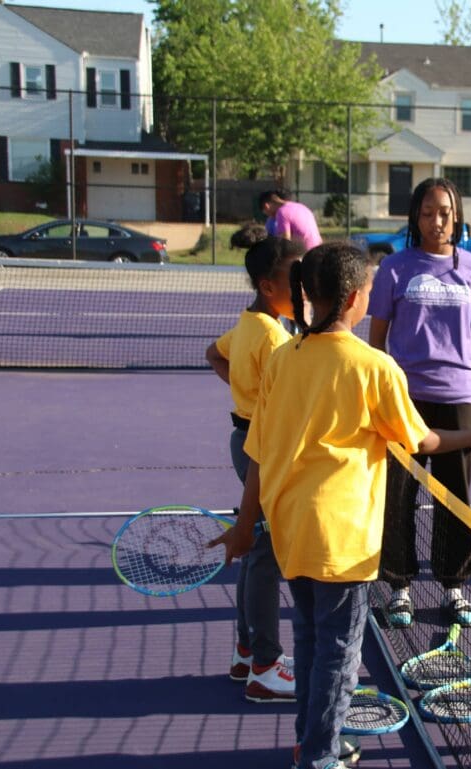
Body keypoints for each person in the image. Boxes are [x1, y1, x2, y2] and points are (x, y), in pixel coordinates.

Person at [212, 242, 471, 769]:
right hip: (342, 541)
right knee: (339, 656)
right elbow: (422, 441)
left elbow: (257, 452)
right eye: (369, 288)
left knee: (311, 641)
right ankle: (320, 756)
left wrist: (244, 527)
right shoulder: (375, 366)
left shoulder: (282, 358)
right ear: (353, 297)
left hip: (291, 529)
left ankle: (311, 741)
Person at [369, 177, 471, 630]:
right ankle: (400, 587)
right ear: (415, 217)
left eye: (444, 211)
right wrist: (379, 396)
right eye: (427, 212)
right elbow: (376, 341)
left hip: (459, 397)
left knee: (456, 498)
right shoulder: (395, 268)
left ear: (457, 215)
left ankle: (454, 587)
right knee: (399, 496)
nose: (436, 220)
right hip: (405, 399)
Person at [205, 236, 302, 704]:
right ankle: (264, 666)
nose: (304, 284)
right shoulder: (274, 337)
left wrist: (245, 393)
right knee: (264, 556)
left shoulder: (250, 324)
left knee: (254, 547)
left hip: (243, 440)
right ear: (269, 285)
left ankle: (247, 652)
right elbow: (286, 407)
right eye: (295, 276)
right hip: (262, 450)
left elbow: (213, 353)